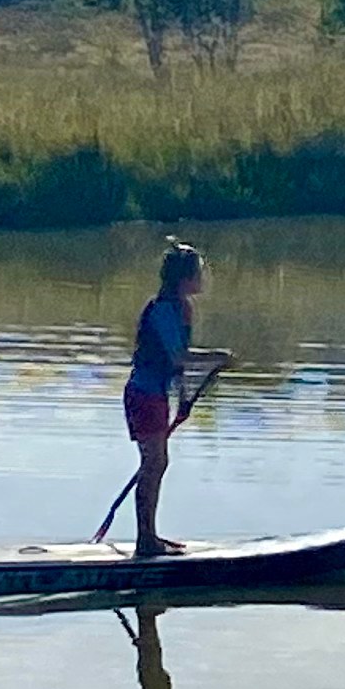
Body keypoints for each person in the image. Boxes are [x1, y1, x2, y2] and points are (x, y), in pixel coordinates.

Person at [123, 239, 232, 560]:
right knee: (153, 463)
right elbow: (178, 356)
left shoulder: (184, 308)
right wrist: (218, 357)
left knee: (157, 463)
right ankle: (146, 541)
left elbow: (177, 368)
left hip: (157, 395)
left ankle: (150, 536)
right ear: (184, 278)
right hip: (143, 394)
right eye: (199, 272)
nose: (203, 278)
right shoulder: (162, 310)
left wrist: (182, 400)